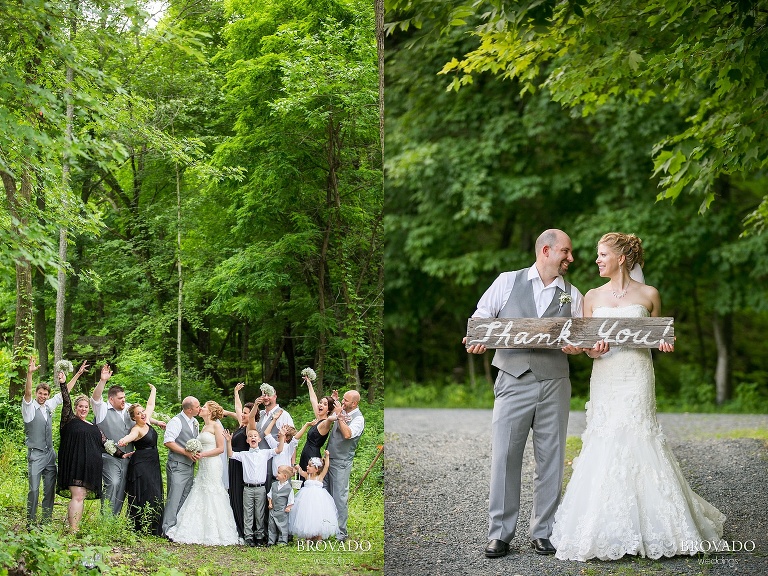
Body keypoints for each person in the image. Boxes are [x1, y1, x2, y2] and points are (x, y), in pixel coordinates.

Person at [551, 232, 725, 561]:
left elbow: (660, 336)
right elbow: (586, 349)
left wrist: (664, 344)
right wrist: (593, 350)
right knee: (605, 439)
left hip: (637, 375)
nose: (597, 260)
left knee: (641, 436)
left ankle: (660, 526)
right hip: (606, 376)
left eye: (602, 254)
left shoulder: (649, 294)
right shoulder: (590, 296)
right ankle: (603, 528)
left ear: (621, 258)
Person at [465, 228, 584, 558]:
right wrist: (479, 337)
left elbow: (579, 341)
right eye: (566, 252)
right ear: (546, 251)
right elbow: (481, 317)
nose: (571, 258)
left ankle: (543, 531)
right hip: (513, 379)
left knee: (552, 458)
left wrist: (577, 349)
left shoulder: (573, 295)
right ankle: (500, 533)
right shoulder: (507, 281)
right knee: (505, 455)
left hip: (555, 382)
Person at [91, 364, 166, 515]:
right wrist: (102, 381)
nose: (124, 400)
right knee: (113, 483)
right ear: (111, 399)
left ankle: (114, 519)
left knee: (123, 488)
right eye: (120, 398)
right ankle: (106, 517)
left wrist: (157, 422)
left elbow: (143, 415)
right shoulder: (102, 410)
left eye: (124, 397)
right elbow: (95, 398)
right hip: (110, 457)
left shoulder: (128, 408)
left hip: (130, 457)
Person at [22, 357, 87, 528]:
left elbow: (65, 393)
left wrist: (78, 374)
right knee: (34, 490)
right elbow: (27, 394)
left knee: (49, 490)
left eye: (45, 394)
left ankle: (46, 521)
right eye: (40, 394)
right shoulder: (29, 409)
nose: (42, 396)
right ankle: (31, 522)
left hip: (50, 454)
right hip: (35, 454)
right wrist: (29, 374)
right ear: (37, 394)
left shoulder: (49, 406)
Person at [166, 401, 242, 545]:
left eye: (205, 407)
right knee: (200, 490)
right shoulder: (201, 425)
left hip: (212, 464)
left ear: (211, 412)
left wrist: (203, 454)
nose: (201, 408)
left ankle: (217, 531)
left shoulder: (216, 426)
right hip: (203, 464)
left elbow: (220, 449)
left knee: (212, 491)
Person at [57, 371, 125, 532]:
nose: (83, 409)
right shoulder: (69, 420)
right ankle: (73, 528)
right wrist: (63, 383)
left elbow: (106, 443)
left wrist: (122, 454)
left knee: (80, 497)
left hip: (88, 468)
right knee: (78, 495)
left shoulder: (94, 427)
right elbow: (66, 401)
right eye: (80, 406)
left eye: (86, 407)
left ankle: (75, 527)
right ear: (75, 408)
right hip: (74, 464)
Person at [225, 409, 284, 547]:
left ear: (259, 439)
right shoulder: (244, 454)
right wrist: (228, 441)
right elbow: (230, 454)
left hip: (261, 488)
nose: (252, 437)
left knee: (260, 513)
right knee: (248, 512)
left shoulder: (265, 453)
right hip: (248, 488)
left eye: (255, 436)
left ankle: (259, 536)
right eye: (250, 436)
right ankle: (249, 536)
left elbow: (279, 450)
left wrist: (281, 438)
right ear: (247, 440)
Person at [118, 383, 164, 536]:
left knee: (155, 491)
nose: (143, 414)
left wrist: (154, 390)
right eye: (138, 413)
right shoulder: (136, 429)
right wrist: (124, 440)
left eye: (143, 411)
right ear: (133, 418)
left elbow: (150, 404)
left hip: (153, 462)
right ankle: (141, 527)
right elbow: (130, 437)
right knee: (146, 492)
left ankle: (154, 526)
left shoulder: (148, 421)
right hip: (141, 464)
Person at [324, 389, 365, 542]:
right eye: (343, 399)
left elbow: (347, 435)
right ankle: (327, 529)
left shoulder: (359, 419)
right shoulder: (342, 411)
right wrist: (334, 403)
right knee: (326, 494)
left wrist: (340, 416)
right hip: (329, 458)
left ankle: (341, 533)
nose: (343, 402)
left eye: (346, 400)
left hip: (341, 462)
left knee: (339, 497)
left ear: (354, 403)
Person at [255, 383, 294, 530]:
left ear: (275, 396)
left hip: (276, 462)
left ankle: (281, 531)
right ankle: (264, 529)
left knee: (278, 498)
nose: (265, 397)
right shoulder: (262, 414)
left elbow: (291, 440)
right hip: (261, 461)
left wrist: (291, 464)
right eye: (263, 394)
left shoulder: (283, 414)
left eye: (268, 394)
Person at [162, 395, 201, 536]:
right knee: (174, 496)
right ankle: (167, 529)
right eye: (197, 407)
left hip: (189, 466)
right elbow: (168, 442)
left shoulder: (195, 422)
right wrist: (186, 453)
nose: (200, 408)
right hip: (177, 465)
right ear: (189, 409)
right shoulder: (176, 421)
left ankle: (178, 527)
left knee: (185, 496)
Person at [294, 374, 335, 486]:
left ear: (328, 410)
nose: (320, 405)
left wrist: (337, 416)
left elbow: (330, 419)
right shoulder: (318, 418)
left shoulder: (324, 423)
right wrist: (309, 383)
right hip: (306, 453)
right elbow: (313, 399)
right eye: (320, 403)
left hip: (312, 455)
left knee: (309, 482)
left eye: (324, 404)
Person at [227, 382, 256, 539]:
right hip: (233, 462)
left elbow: (250, 417)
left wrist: (254, 408)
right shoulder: (240, 425)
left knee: (238, 494)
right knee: (232, 492)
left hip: (241, 464)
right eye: (243, 413)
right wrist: (236, 392)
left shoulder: (249, 428)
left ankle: (242, 529)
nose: (243, 415)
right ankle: (235, 524)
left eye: (246, 413)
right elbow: (238, 409)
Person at [290, 452, 338, 540]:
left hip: (318, 500)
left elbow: (326, 466)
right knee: (307, 516)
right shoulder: (306, 476)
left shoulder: (320, 477)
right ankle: (308, 538)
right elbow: (300, 471)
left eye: (310, 466)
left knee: (318, 516)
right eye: (307, 465)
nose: (307, 467)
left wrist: (327, 456)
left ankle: (319, 537)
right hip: (306, 500)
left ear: (316, 469)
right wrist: (297, 467)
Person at [267, 465, 295, 546]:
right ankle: (271, 541)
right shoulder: (274, 485)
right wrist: (270, 503)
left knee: (282, 526)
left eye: (278, 473)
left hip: (282, 511)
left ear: (285, 476)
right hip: (273, 509)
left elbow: (291, 499)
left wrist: (288, 507)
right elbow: (270, 495)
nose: (276, 474)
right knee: (271, 525)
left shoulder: (289, 488)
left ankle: (282, 541)